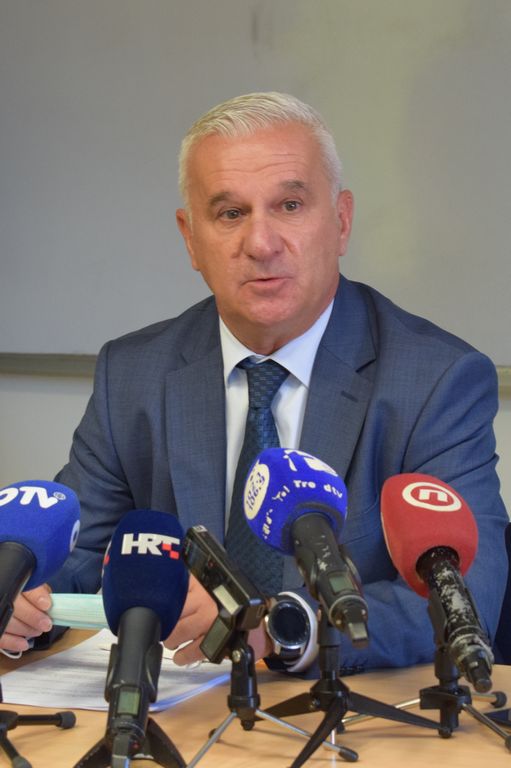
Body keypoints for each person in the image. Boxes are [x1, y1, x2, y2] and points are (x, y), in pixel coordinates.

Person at [1, 92, 508, 675]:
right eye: (230, 214)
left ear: (341, 221)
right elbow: (73, 561)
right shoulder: (133, 375)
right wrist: (22, 605)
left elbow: (466, 598)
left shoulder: (435, 381)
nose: (261, 244)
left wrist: (277, 627)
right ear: (190, 238)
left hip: (345, 714)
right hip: (176, 708)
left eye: (290, 205)